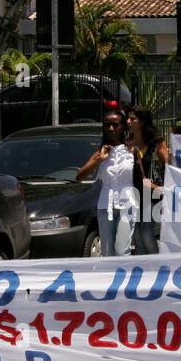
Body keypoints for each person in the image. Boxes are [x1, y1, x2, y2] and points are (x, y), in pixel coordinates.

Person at [76, 107, 135, 256]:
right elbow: (80, 176)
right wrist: (98, 160)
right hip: (105, 204)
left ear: (123, 127)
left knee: (122, 251)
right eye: (107, 124)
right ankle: (110, 278)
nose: (111, 128)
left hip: (127, 203)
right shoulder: (101, 152)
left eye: (115, 124)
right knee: (107, 252)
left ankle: (124, 278)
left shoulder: (132, 150)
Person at [125, 106, 170, 255]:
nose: (128, 122)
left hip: (153, 194)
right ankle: (143, 269)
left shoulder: (157, 143)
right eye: (128, 118)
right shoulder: (128, 144)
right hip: (135, 194)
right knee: (137, 235)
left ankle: (156, 265)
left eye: (133, 119)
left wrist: (161, 187)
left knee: (146, 232)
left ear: (142, 122)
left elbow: (170, 167)